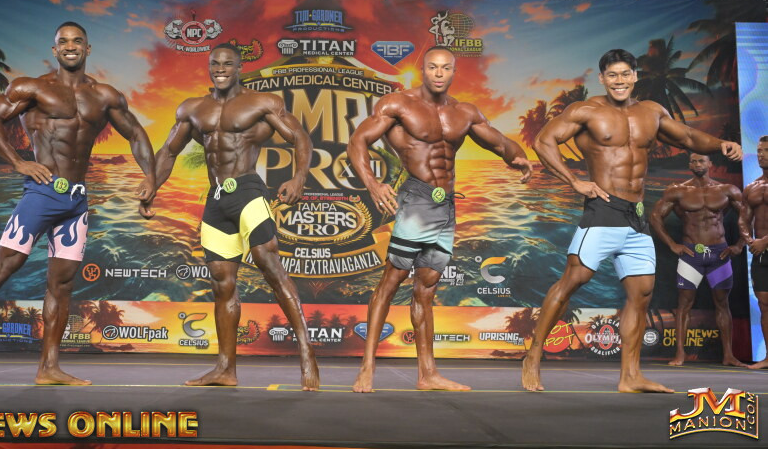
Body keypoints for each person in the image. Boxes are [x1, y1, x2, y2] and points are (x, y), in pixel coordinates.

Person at [0, 22, 155, 388]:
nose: (70, 46)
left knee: (62, 284)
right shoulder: (33, 88)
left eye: (77, 41)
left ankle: (49, 367)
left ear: (88, 49)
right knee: (1, 268)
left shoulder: (105, 96)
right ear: (55, 50)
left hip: (76, 201)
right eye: (63, 42)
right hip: (41, 194)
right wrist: (17, 162)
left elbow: (135, 132)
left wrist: (150, 177)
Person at [522, 49, 742, 393]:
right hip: (603, 210)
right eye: (612, 75)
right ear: (602, 79)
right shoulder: (586, 110)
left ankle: (630, 376)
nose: (619, 81)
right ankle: (533, 356)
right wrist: (574, 181)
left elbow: (687, 137)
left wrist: (721, 144)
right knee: (573, 281)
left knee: (641, 295)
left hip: (636, 217)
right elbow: (543, 141)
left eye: (625, 74)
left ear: (635, 76)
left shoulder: (651, 111)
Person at [348, 46, 532, 393]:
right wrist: (372, 183)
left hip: (446, 205)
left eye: (445, 68)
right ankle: (367, 367)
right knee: (392, 280)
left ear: (453, 72)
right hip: (416, 199)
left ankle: (427, 373)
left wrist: (518, 157)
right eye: (432, 67)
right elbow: (358, 140)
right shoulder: (398, 104)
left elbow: (498, 142)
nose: (438, 73)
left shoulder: (465, 112)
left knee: (427, 287)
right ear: (423, 69)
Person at [144, 43, 319, 390]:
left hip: (248, 190)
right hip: (217, 200)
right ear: (209, 67)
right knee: (222, 283)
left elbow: (299, 137)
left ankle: (306, 353)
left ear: (239, 68)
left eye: (227, 63)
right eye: (215, 63)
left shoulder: (260, 103)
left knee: (268, 262)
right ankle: (225, 368)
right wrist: (152, 186)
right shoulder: (193, 108)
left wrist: (299, 177)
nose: (220, 69)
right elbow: (169, 151)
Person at [649, 153, 745, 367]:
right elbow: (655, 217)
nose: (697, 164)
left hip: (719, 253)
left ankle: (728, 355)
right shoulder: (678, 190)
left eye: (701, 160)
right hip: (691, 254)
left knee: (723, 303)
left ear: (710, 164)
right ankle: (680, 354)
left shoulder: (727, 190)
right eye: (693, 161)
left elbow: (747, 216)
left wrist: (739, 244)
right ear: (689, 165)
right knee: (684, 304)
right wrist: (672, 244)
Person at [740, 135, 768, 369]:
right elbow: (743, 219)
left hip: (763, 246)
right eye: (759, 151)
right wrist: (750, 240)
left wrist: (765, 241)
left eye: (766, 151)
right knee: (764, 303)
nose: (761, 155)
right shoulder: (752, 187)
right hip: (760, 254)